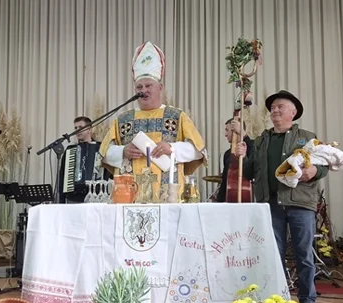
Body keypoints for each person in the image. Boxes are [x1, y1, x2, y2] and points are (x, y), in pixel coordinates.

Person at [237, 90, 328, 303]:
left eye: (280, 107)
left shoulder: (307, 138)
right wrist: (243, 156)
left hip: (300, 203)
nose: (275, 111)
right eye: (273, 108)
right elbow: (248, 173)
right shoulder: (260, 141)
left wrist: (314, 170)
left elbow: (325, 164)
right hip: (270, 204)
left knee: (304, 255)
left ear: (293, 112)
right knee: (272, 256)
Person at [99, 41, 207, 199]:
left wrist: (172, 148)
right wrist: (123, 151)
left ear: (160, 88)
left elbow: (199, 151)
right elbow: (104, 154)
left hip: (169, 196)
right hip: (130, 195)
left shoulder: (177, 116)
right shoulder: (123, 119)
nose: (143, 90)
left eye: (148, 85)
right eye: (139, 87)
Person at [57, 116, 110, 203]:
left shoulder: (101, 147)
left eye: (80, 127)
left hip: (96, 196)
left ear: (89, 130)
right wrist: (61, 201)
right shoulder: (70, 150)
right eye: (75, 128)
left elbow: (109, 172)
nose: (77, 130)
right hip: (74, 197)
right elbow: (62, 176)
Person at [216, 117, 254, 203]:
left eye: (227, 130)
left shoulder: (251, 146)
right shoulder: (227, 154)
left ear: (235, 131)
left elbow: (254, 150)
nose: (225, 134)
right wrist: (220, 201)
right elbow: (225, 180)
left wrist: (243, 134)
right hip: (228, 197)